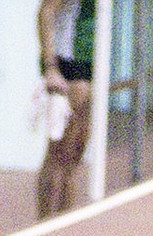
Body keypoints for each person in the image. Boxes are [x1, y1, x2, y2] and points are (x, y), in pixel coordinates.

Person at [36, 0, 95, 218]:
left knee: (77, 151)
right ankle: (45, 221)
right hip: (67, 62)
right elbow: (46, 11)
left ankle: (63, 219)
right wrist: (51, 67)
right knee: (60, 150)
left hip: (92, 61)